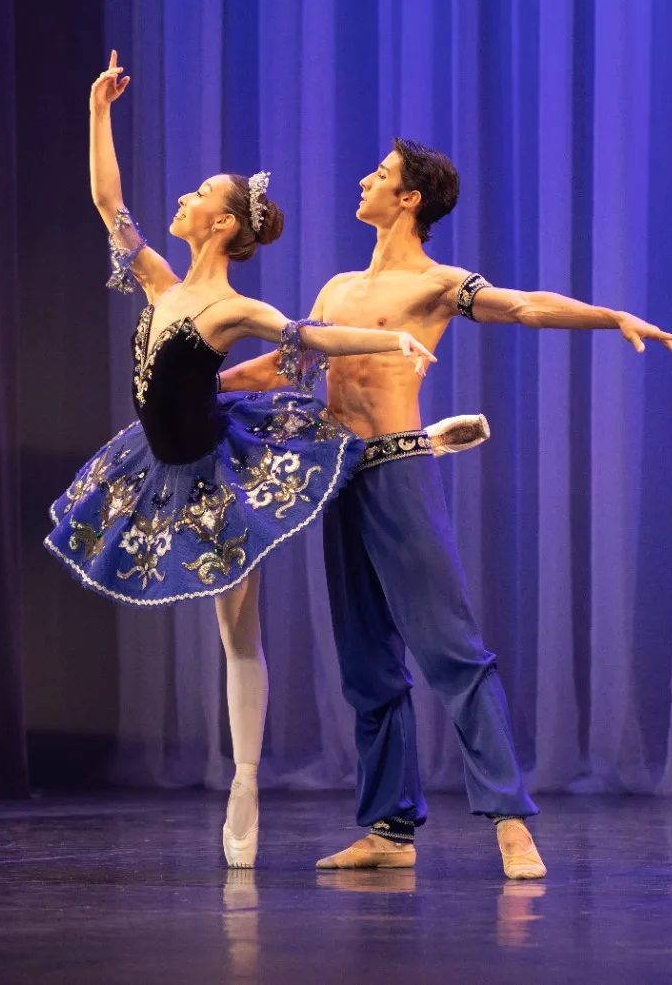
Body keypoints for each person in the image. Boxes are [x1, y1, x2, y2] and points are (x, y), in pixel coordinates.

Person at [220, 138, 672, 880]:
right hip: (336, 476)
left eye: (381, 175)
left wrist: (611, 316)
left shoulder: (438, 283)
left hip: (400, 470)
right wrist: (197, 388)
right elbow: (290, 363)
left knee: (451, 650)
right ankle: (388, 830)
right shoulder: (336, 289)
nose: (366, 179)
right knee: (367, 664)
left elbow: (527, 306)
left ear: (409, 199)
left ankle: (511, 823)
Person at [46, 55, 437, 870]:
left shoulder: (231, 308)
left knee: (236, 638)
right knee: (231, 636)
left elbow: (309, 336)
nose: (182, 200)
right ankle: (246, 779)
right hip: (156, 466)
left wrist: (387, 336)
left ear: (222, 225)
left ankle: (246, 781)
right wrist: (97, 112)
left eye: (198, 196)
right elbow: (107, 202)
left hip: (220, 476)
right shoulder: (157, 281)